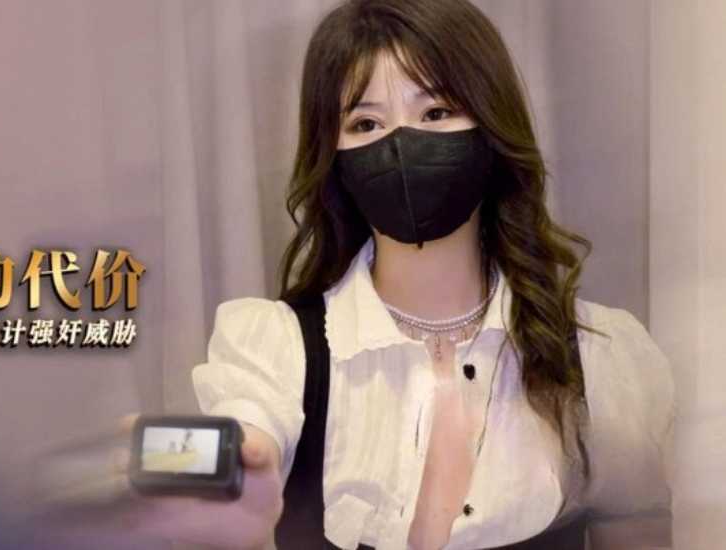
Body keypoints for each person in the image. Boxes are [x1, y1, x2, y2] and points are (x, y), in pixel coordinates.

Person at [106, 0, 675, 548]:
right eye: (365, 123)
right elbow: (247, 437)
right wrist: (200, 472)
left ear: (491, 130)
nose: (400, 145)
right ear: (333, 158)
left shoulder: (599, 357)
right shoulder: (278, 348)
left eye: (435, 113)